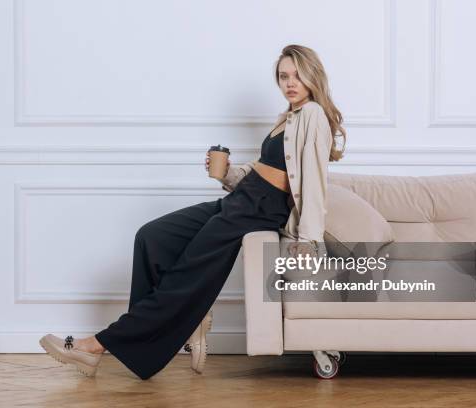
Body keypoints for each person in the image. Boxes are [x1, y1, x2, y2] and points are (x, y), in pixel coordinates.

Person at [39, 44, 347, 380]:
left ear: (312, 76)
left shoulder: (314, 115)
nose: (290, 83)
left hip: (259, 209)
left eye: (297, 75)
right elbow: (264, 168)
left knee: (185, 272)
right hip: (242, 199)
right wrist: (227, 172)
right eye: (283, 76)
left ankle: (96, 346)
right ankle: (186, 324)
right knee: (152, 237)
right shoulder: (287, 117)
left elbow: (314, 179)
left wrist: (310, 238)